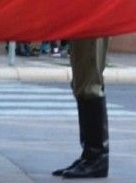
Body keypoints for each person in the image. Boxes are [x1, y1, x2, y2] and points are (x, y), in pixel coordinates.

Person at [52, 37, 109, 178]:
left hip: (94, 21)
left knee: (89, 81)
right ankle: (89, 155)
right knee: (81, 80)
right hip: (86, 20)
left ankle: (97, 158)